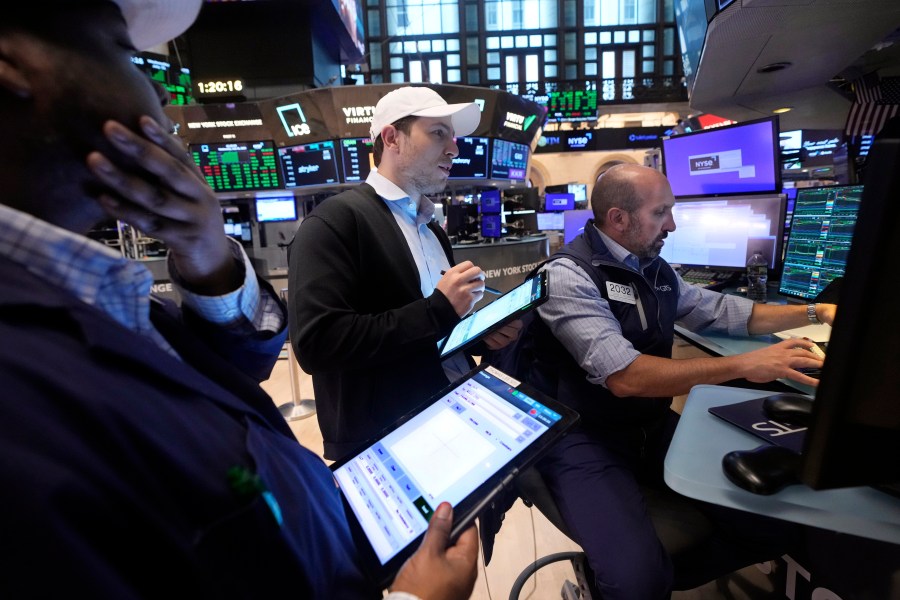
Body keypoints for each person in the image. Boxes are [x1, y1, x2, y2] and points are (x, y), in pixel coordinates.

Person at [0, 2, 477, 598]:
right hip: (377, 439)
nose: (154, 88)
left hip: (427, 430)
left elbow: (233, 370)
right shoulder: (338, 221)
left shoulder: (93, 293)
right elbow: (321, 344)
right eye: (125, 54)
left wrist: (206, 257)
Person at [522, 164, 836, 599]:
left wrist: (815, 311)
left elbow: (725, 311)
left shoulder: (652, 267)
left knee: (773, 525)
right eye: (661, 213)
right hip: (584, 438)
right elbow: (625, 377)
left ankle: (636, 579)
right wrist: (746, 366)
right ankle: (624, 582)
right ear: (618, 219)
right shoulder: (566, 276)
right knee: (637, 581)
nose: (672, 224)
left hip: (648, 428)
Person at [289, 86, 520, 461]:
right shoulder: (335, 222)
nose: (454, 150)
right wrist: (440, 309)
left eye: (453, 137)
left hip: (453, 409)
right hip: (389, 438)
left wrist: (478, 335)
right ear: (391, 137)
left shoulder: (431, 229)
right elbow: (318, 344)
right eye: (438, 133)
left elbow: (429, 334)